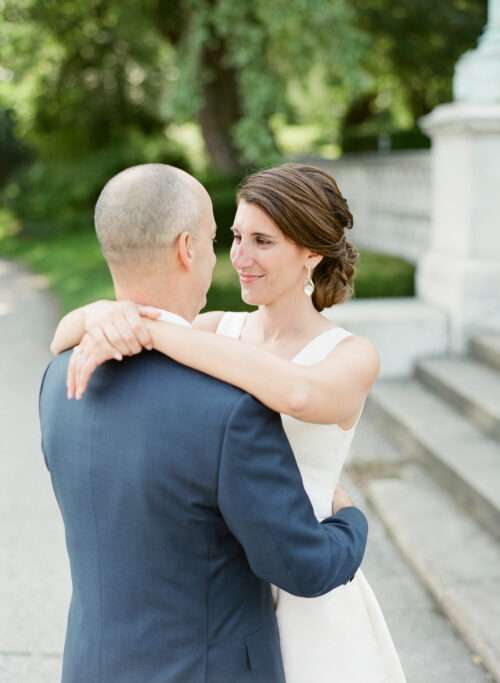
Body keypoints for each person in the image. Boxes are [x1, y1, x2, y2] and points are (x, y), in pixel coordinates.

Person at [52, 163, 407, 682]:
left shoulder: (352, 355)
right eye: (236, 236)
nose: (240, 257)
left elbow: (296, 392)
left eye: (263, 241)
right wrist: (101, 314)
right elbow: (62, 336)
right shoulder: (216, 328)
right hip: (220, 584)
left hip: (308, 585)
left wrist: (153, 330)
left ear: (311, 251)